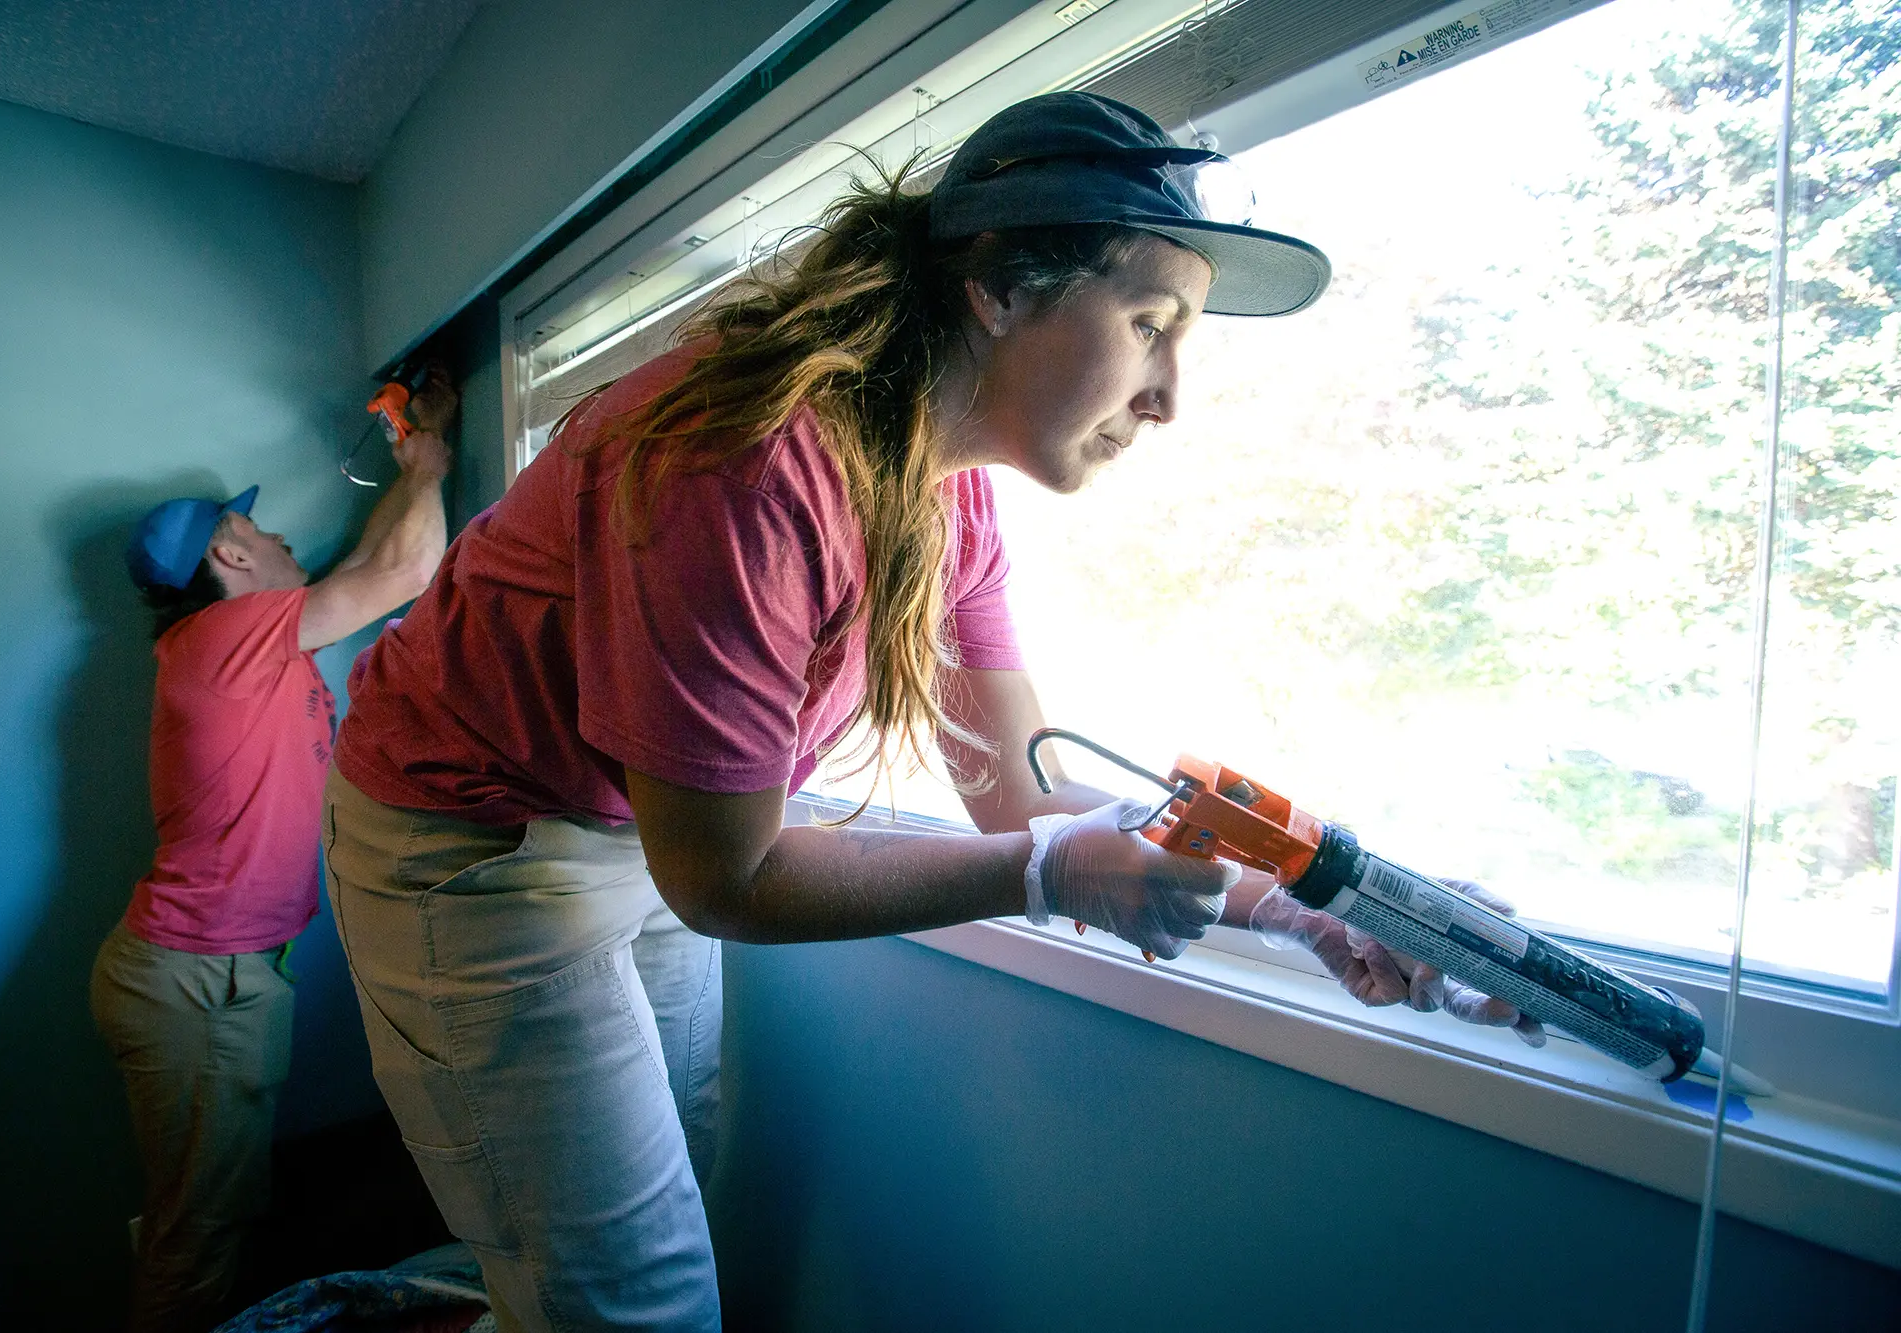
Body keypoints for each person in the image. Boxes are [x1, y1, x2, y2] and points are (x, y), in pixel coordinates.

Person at [324, 93, 1534, 1332]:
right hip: (472, 845)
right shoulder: (743, 458)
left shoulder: (945, 493)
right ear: (998, 287)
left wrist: (1304, 900)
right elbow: (732, 880)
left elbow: (1018, 789)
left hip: (647, 823)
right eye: (1147, 324)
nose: (1170, 396)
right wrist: (1047, 875)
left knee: (675, 1173)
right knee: (631, 1302)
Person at [90, 371, 457, 1333]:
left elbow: (367, 565)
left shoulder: (233, 643)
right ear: (228, 553)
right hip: (199, 983)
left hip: (209, 977)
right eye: (256, 526)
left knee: (216, 1222)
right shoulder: (224, 637)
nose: (281, 534)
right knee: (196, 1238)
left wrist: (411, 464)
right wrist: (430, 466)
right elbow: (406, 572)